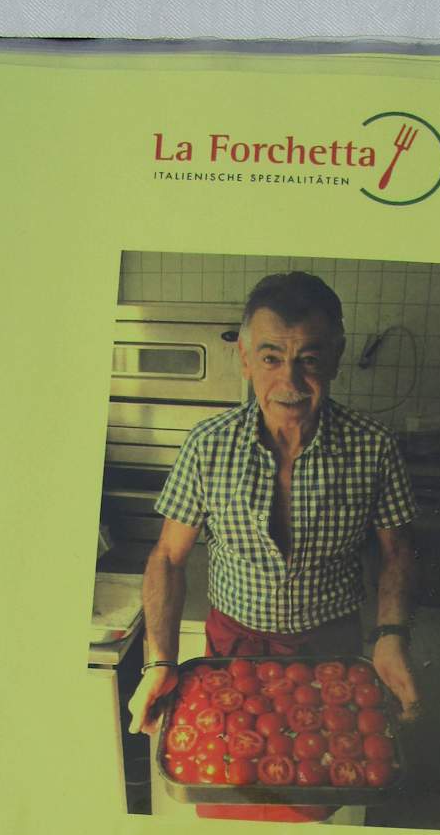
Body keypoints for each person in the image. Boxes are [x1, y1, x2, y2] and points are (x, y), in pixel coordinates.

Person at [127, 271, 421, 752]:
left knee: (326, 771)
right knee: (234, 766)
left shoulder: (375, 447)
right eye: (271, 358)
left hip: (331, 653)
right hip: (233, 650)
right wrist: (159, 660)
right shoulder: (207, 445)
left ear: (336, 358)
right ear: (245, 360)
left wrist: (392, 635)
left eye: (309, 360)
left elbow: (398, 553)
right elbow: (167, 558)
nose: (290, 381)